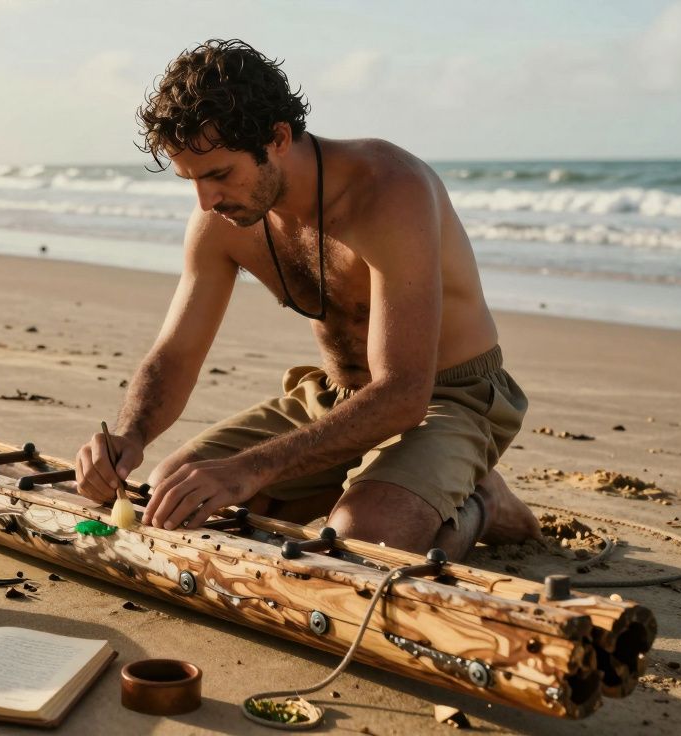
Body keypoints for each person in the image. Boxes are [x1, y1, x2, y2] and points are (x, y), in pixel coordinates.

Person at [73, 39, 540, 562]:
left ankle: (481, 500)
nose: (205, 201)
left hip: (444, 398)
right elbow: (176, 353)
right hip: (338, 397)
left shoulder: (388, 191)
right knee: (176, 493)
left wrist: (251, 468)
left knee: (366, 540)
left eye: (219, 174)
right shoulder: (220, 219)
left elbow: (404, 392)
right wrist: (129, 436)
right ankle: (380, 481)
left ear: (277, 138)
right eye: (190, 180)